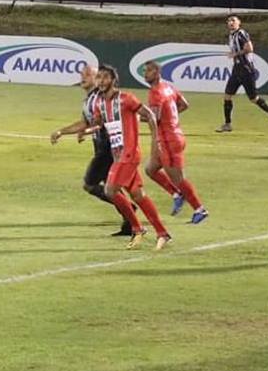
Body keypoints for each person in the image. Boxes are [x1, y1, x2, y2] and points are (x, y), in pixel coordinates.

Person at [82, 65, 173, 250]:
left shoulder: (126, 99)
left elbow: (150, 115)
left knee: (110, 190)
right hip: (117, 155)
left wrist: (156, 142)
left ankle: (137, 229)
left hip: (129, 153)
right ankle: (163, 233)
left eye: (105, 77)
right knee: (138, 195)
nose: (101, 81)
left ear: (113, 80)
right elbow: (99, 123)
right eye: (98, 77)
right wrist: (88, 130)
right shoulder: (100, 103)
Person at [50, 64, 133, 237]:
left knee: (90, 184)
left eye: (88, 74)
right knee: (112, 187)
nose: (83, 76)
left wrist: (86, 130)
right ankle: (129, 220)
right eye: (82, 73)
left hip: (108, 148)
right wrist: (63, 131)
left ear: (97, 79)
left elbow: (99, 123)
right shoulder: (90, 99)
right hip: (104, 147)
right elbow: (86, 122)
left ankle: (129, 212)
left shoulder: (99, 99)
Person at [142, 61, 208, 224]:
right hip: (174, 136)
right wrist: (170, 118)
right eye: (144, 71)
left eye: (148, 71)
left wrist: (135, 117)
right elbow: (184, 104)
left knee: (178, 178)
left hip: (169, 141)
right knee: (150, 169)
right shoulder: (168, 87)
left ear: (157, 72)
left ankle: (199, 209)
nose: (145, 75)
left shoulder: (155, 93)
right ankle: (176, 194)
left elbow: (154, 119)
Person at [216, 16, 268, 133]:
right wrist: (234, 55)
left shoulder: (241, 33)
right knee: (227, 96)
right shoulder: (231, 36)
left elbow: (249, 48)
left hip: (246, 70)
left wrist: (235, 54)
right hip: (237, 69)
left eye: (233, 20)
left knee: (253, 98)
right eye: (229, 21)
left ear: (239, 23)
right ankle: (228, 124)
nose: (230, 22)